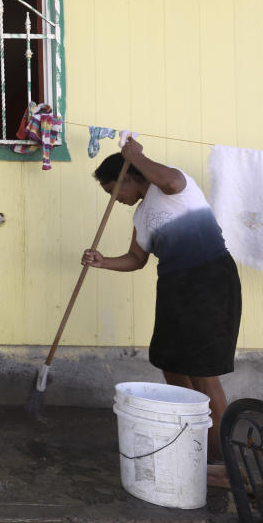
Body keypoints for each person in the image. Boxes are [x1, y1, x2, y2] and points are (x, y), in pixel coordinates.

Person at [82, 138, 241, 488]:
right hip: (173, 287)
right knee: (171, 363)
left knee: (203, 374)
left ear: (129, 176)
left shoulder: (172, 185)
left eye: (113, 190)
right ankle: (189, 440)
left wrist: (136, 155)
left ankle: (220, 460)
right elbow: (137, 260)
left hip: (209, 280)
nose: (115, 199)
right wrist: (103, 261)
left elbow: (168, 180)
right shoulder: (141, 216)